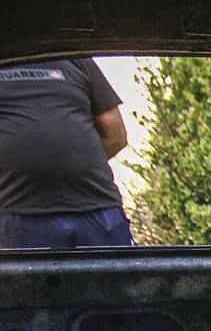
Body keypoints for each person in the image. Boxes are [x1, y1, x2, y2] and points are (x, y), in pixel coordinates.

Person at [0, 58, 133, 248]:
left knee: (119, 277)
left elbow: (116, 135)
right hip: (15, 218)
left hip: (97, 208)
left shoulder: (75, 58)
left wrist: (74, 163)